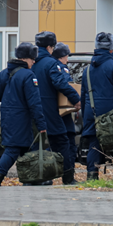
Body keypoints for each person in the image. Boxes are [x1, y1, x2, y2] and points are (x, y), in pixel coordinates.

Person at [0, 42, 48, 187]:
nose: (34, 61)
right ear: (26, 58)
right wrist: (42, 124)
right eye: (33, 58)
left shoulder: (4, 73)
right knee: (13, 150)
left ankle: (30, 178)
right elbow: (35, 103)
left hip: (7, 117)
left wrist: (10, 100)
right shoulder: (28, 75)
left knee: (24, 148)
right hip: (22, 119)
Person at [80, 33, 113, 180]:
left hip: (92, 113)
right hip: (112, 114)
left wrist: (86, 118)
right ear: (111, 49)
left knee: (94, 145)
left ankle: (91, 176)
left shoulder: (87, 70)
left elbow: (83, 96)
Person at [32, 32, 80, 186]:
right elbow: (60, 83)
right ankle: (68, 178)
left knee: (35, 145)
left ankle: (35, 178)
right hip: (49, 109)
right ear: (49, 47)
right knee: (62, 142)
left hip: (33, 110)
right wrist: (76, 99)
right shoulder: (50, 63)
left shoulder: (31, 63)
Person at [52, 42, 79, 185]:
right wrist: (76, 99)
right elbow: (66, 84)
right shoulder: (61, 68)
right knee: (68, 144)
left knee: (54, 144)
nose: (68, 59)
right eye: (66, 56)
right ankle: (69, 176)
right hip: (64, 112)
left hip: (53, 112)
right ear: (62, 56)